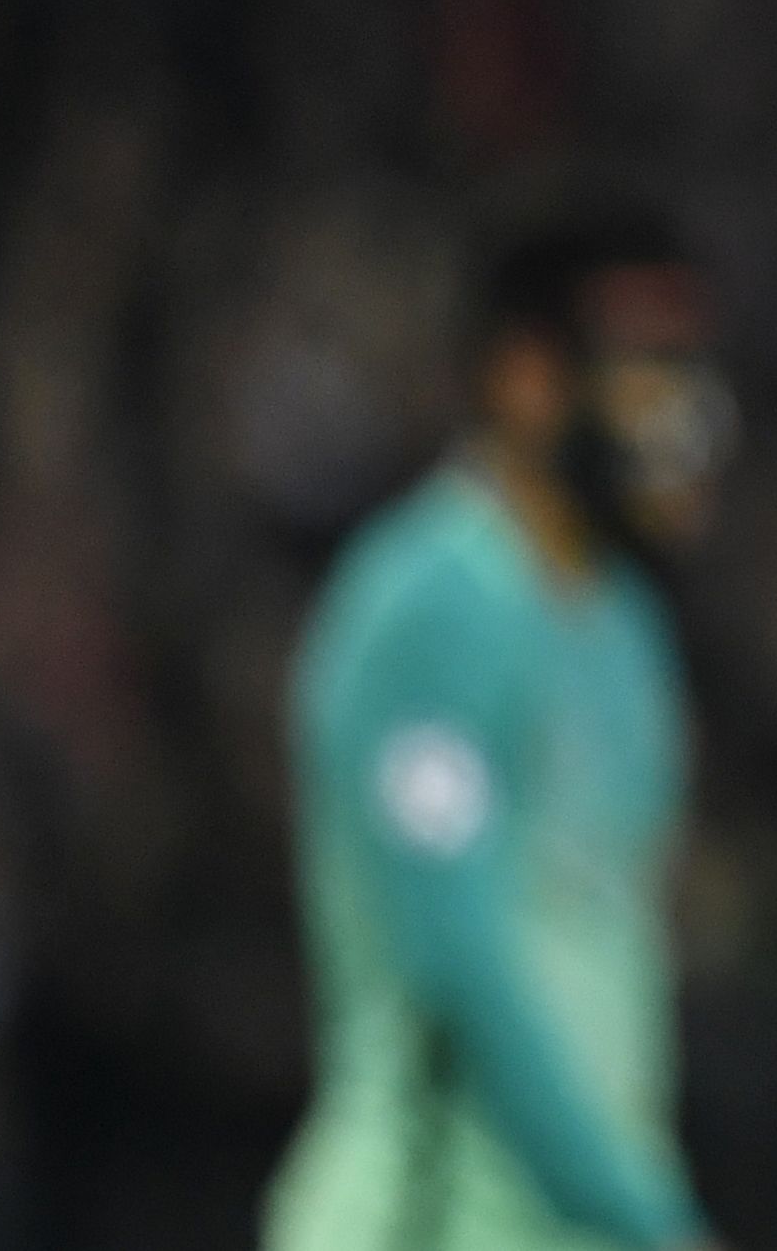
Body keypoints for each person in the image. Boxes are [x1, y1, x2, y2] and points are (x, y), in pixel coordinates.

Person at [264, 207, 739, 1251]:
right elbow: (450, 959)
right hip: (425, 1221)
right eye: (648, 369)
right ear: (528, 377)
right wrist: (639, 1215)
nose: (686, 414)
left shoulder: (625, 629)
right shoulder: (434, 606)